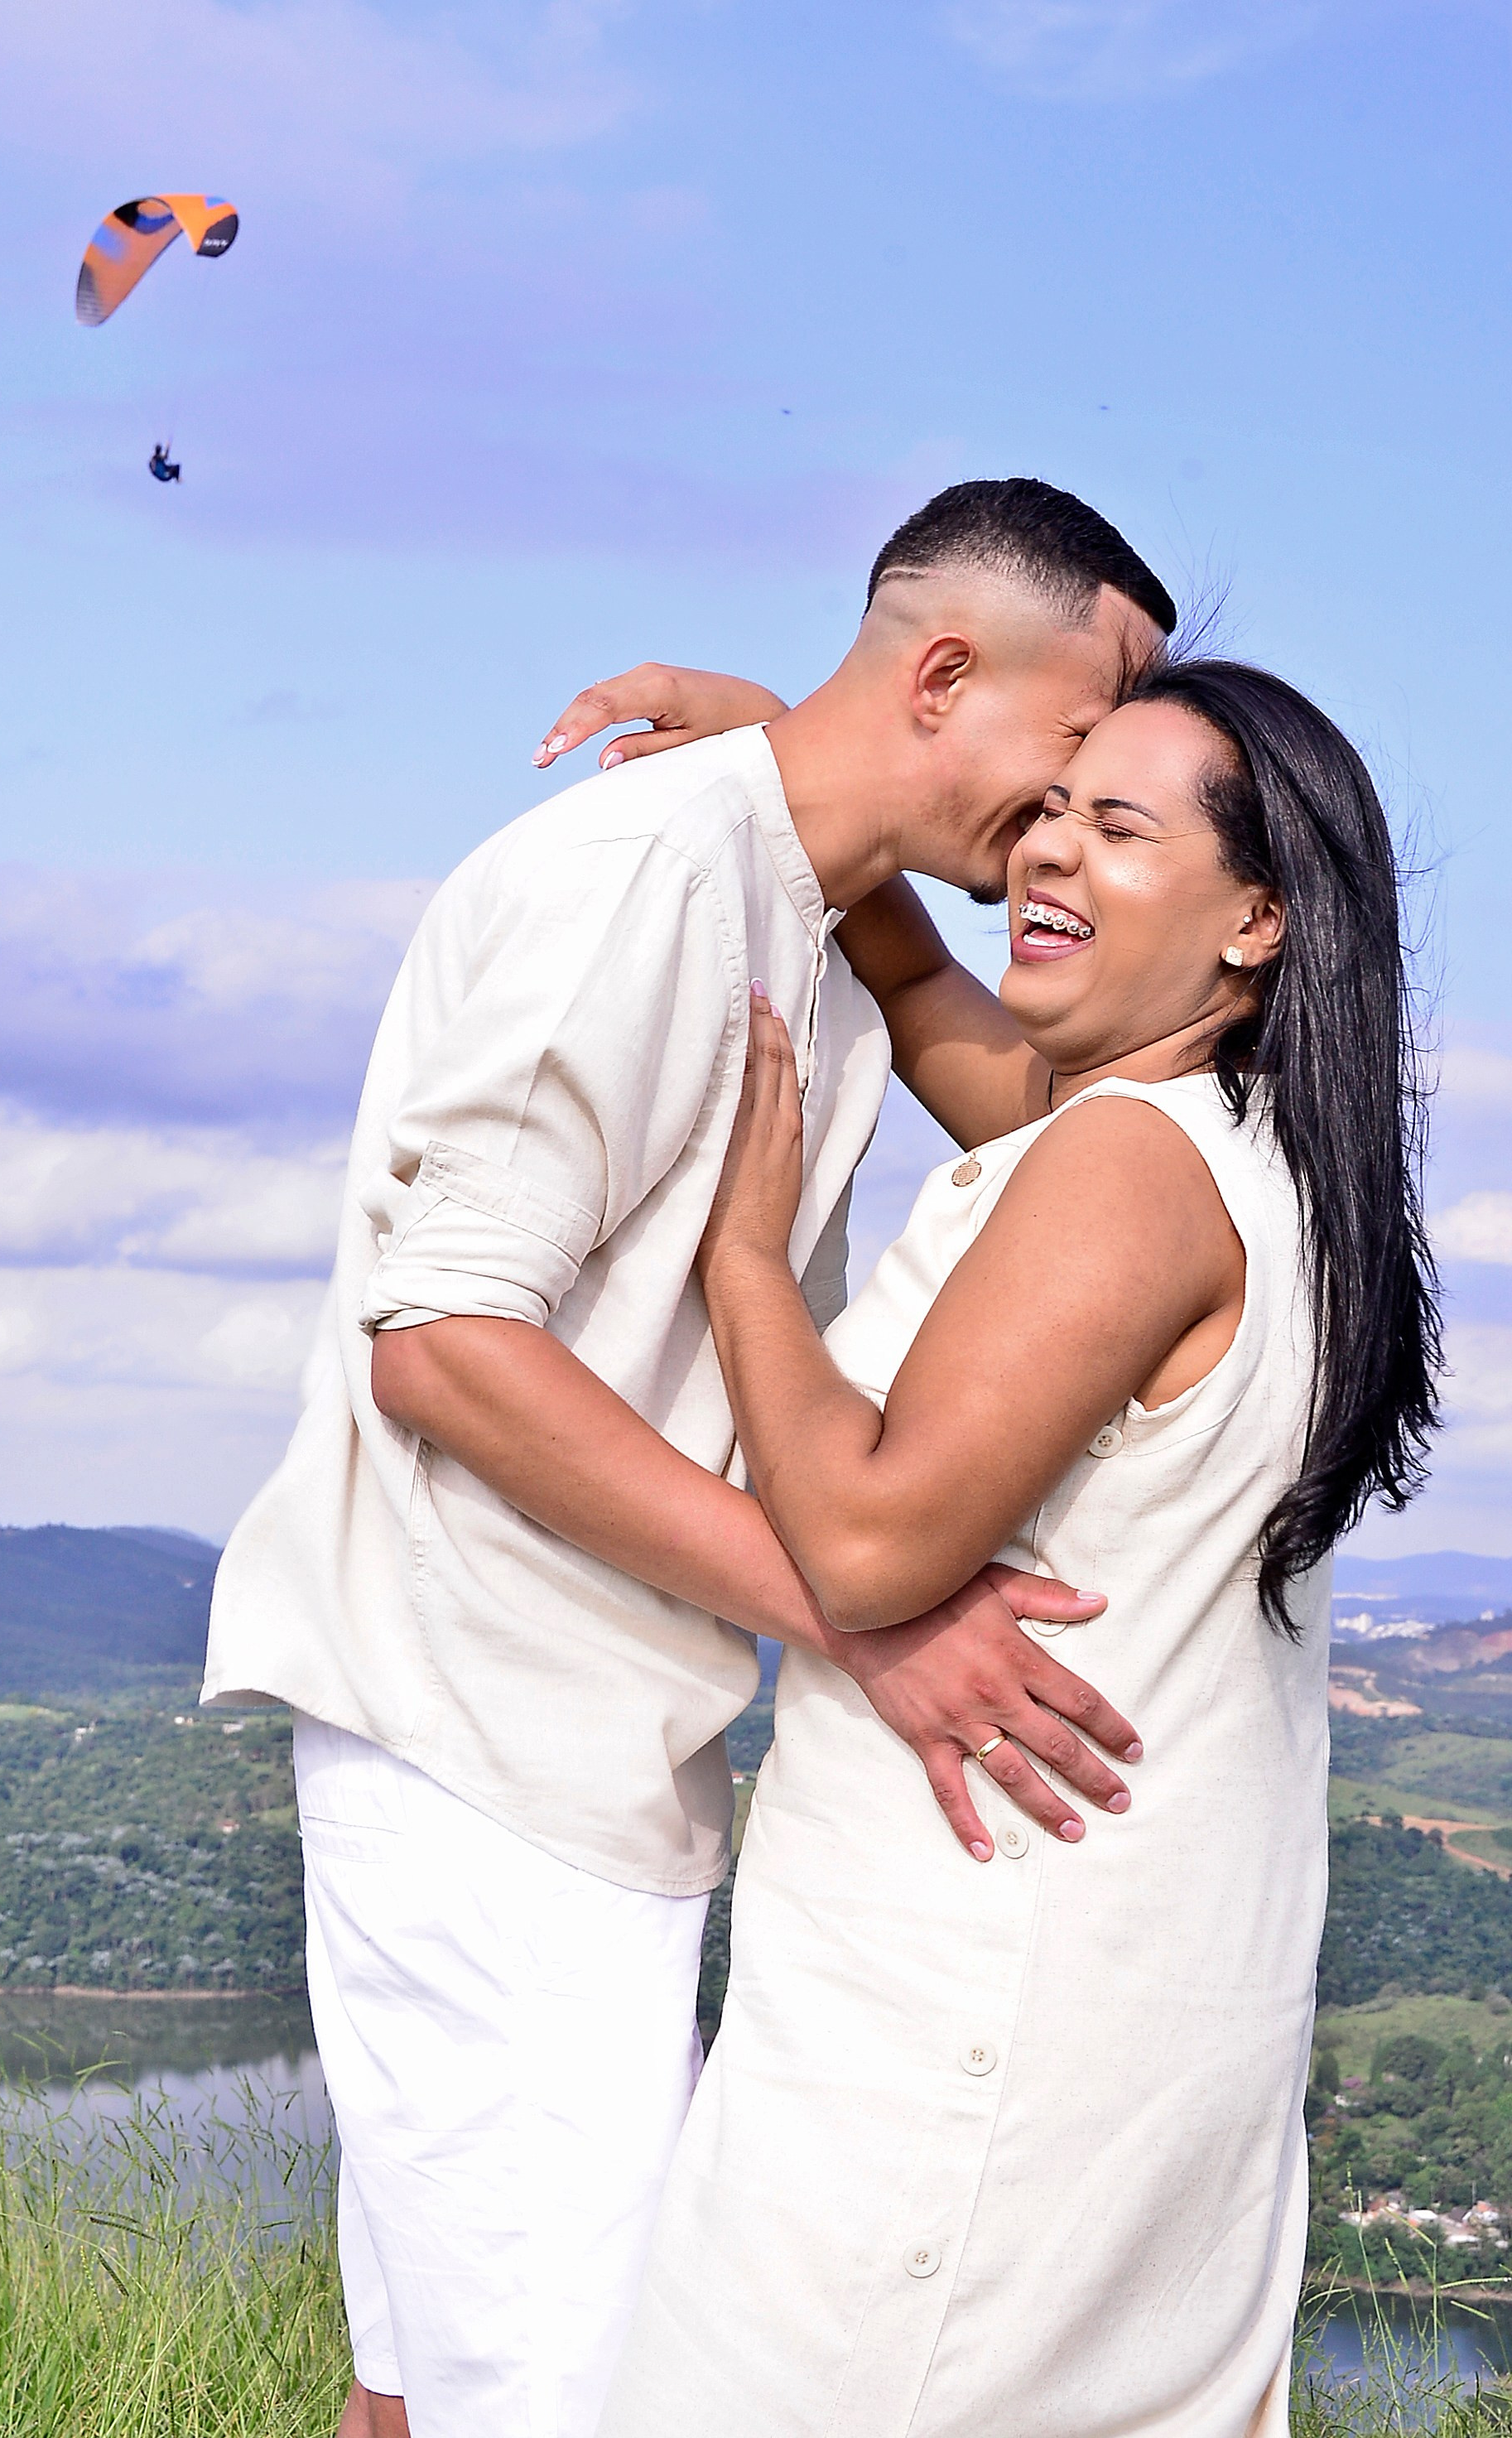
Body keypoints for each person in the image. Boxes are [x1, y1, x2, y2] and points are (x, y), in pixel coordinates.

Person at [200, 479, 1178, 2438]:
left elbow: (970, 1035)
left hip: (548, 1747)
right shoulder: (646, 878)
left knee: (425, 2393)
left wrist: (790, 756)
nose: (1077, 810)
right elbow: (447, 1346)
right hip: (486, 1747)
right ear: (946, 673)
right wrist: (859, 1616)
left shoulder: (792, 908)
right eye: (1082, 738)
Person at [546, 657, 1440, 2438]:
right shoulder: (1258, 1163)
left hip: (962, 2034)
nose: (1048, 849)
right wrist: (816, 773)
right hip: (1123, 2015)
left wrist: (744, 1250)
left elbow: (868, 1537)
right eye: (1044, 808)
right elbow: (960, 1028)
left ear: (1255, 917)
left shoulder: (1119, 1167)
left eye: (1118, 825)